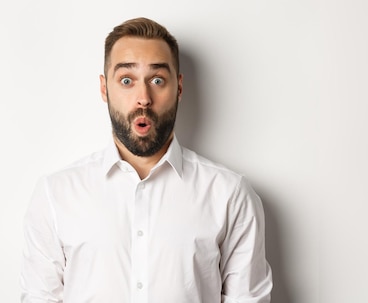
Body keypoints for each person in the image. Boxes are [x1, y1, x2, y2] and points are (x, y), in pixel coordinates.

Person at [20, 17, 272, 303]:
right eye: (126, 80)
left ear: (178, 87)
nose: (143, 98)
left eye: (157, 80)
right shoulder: (56, 195)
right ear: (104, 89)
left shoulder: (229, 194)